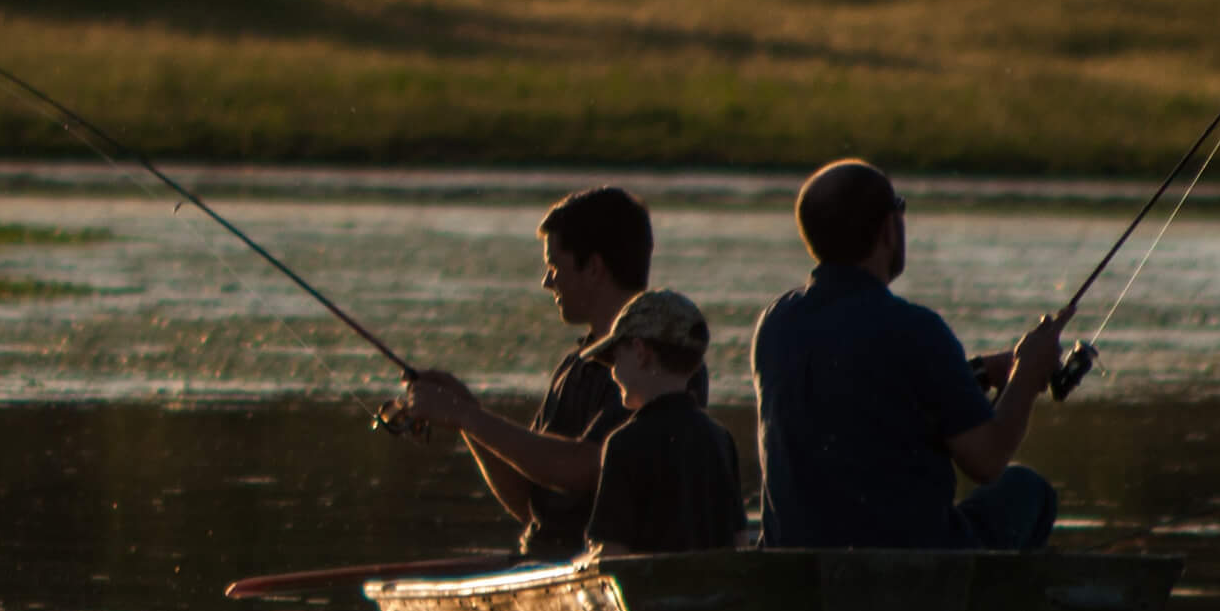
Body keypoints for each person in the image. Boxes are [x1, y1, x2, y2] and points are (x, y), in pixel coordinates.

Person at [752, 159, 1070, 550]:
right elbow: (986, 461)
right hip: (909, 565)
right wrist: (1027, 375)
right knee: (1026, 490)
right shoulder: (915, 329)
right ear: (889, 228)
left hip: (794, 561)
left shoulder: (775, 323)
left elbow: (867, 397)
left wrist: (980, 374)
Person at [399, 185, 703, 559]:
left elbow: (585, 468)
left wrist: (466, 415)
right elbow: (533, 503)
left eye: (554, 266)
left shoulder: (661, 360)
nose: (547, 281)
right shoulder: (572, 368)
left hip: (610, 572)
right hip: (546, 563)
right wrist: (465, 415)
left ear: (593, 268)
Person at [578, 290, 745, 556]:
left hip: (647, 595)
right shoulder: (720, 439)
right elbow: (738, 543)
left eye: (615, 358)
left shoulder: (624, 443)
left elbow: (611, 554)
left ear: (640, 352)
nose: (613, 371)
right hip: (713, 592)